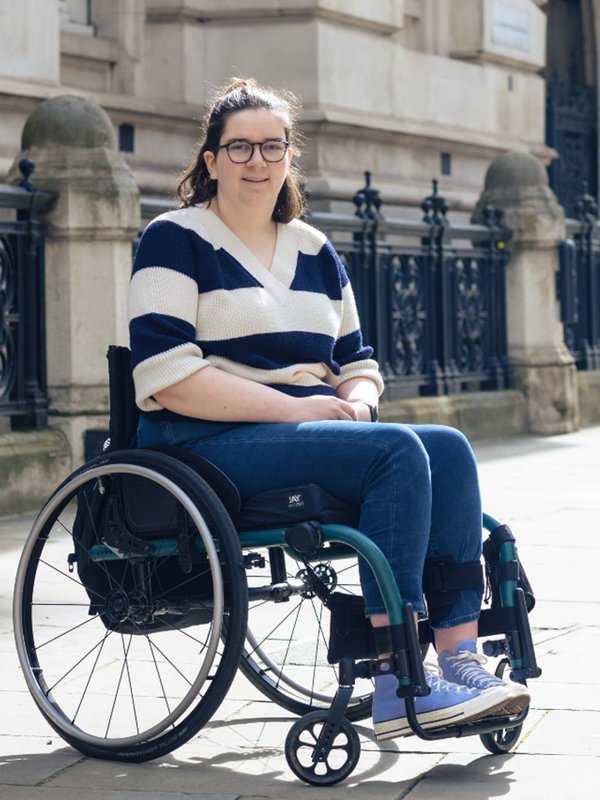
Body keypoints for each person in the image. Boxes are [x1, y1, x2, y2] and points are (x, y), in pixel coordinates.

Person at [128, 77, 530, 740]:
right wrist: (298, 412)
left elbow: (359, 363)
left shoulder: (314, 249)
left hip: (309, 429)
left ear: (289, 156)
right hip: (205, 441)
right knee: (397, 452)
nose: (256, 161)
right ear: (210, 161)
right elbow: (167, 376)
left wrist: (358, 403)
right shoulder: (175, 239)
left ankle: (460, 659)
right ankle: (394, 678)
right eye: (238, 149)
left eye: (270, 146)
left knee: (447, 448)